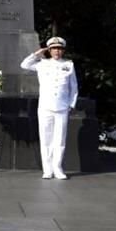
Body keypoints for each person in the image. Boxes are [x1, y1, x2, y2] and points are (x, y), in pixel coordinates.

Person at [20, 37, 78, 180]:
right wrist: (37, 53)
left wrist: (71, 105)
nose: (57, 51)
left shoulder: (69, 65)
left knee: (60, 140)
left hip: (62, 106)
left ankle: (58, 168)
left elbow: (74, 87)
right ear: (49, 50)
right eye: (54, 49)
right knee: (46, 139)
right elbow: (24, 65)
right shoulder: (42, 64)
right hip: (46, 106)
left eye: (59, 48)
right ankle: (47, 169)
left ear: (63, 50)